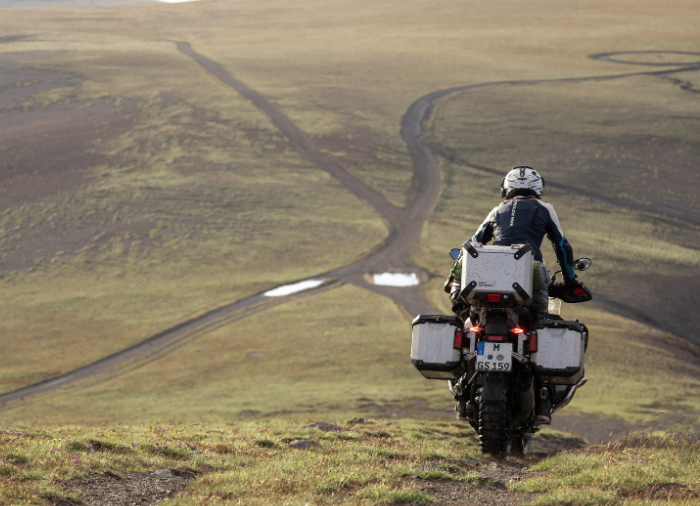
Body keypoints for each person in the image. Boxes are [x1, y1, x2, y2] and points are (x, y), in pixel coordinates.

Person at [448, 166, 584, 424]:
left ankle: (462, 396)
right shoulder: (545, 208)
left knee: (472, 326)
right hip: (529, 271)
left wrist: (453, 278)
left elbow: (474, 242)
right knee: (539, 330)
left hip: (487, 273)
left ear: (506, 189)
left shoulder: (496, 210)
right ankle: (543, 401)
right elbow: (562, 246)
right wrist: (570, 279)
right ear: (538, 190)